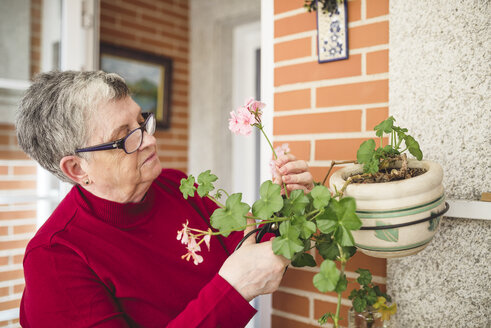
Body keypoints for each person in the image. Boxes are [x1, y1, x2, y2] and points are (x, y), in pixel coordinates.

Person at [16, 71, 314, 327]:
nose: (150, 140)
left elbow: (251, 250)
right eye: (125, 137)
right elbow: (242, 276)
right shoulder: (54, 258)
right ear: (77, 168)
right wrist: (232, 290)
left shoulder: (172, 184)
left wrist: (292, 209)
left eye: (141, 122)